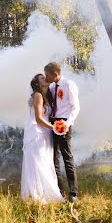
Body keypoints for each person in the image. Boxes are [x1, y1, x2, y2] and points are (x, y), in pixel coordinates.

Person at [21, 73, 64, 203]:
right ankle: (38, 195)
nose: (45, 78)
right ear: (38, 83)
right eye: (42, 78)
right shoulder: (38, 96)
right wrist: (54, 128)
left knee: (46, 162)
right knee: (38, 162)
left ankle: (46, 193)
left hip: (45, 132)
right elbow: (39, 119)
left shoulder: (48, 95)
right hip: (37, 132)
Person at [44, 62, 80, 203]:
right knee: (54, 158)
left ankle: (73, 192)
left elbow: (75, 107)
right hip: (52, 122)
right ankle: (59, 190)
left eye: (48, 75)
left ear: (56, 74)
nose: (46, 77)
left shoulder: (69, 85)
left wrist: (67, 123)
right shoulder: (52, 87)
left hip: (64, 122)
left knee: (67, 156)